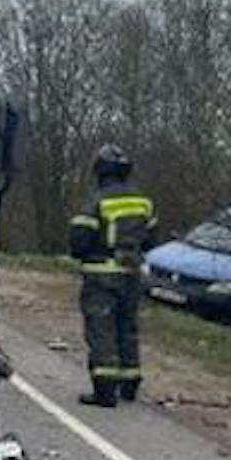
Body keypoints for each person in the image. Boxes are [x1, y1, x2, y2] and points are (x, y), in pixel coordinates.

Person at [69, 144, 159, 407]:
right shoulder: (144, 202)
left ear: (99, 171)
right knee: (127, 327)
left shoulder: (96, 201)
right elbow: (152, 239)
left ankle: (105, 391)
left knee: (101, 330)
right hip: (132, 274)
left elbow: (79, 241)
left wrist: (87, 255)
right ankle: (130, 384)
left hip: (101, 275)